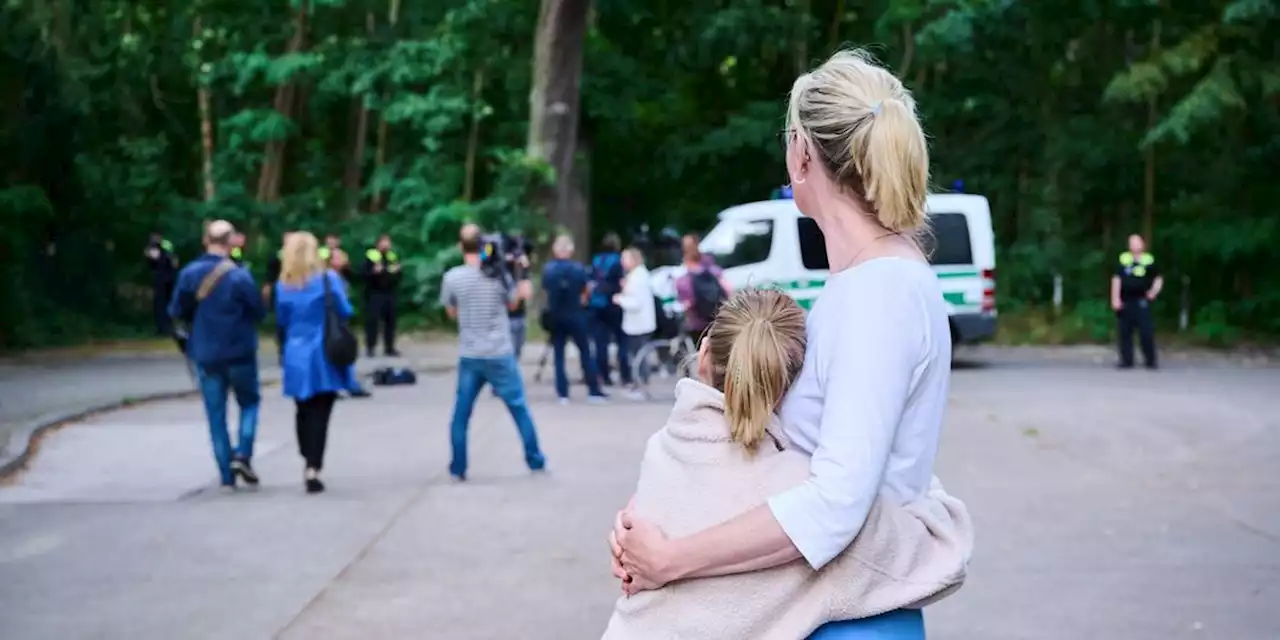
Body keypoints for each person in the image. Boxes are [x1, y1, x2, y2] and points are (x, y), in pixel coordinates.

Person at [611, 49, 954, 640]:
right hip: (821, 610)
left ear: (802, 153)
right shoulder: (867, 282)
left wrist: (672, 558)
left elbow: (835, 504)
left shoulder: (881, 293)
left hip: (849, 622)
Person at [602, 290, 970, 639]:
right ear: (791, 389)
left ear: (703, 356)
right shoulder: (801, 499)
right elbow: (942, 558)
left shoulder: (662, 451)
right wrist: (919, 481)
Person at [440, 224, 546, 482]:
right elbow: (512, 304)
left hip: (471, 354)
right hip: (499, 352)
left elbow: (451, 312)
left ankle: (458, 467)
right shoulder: (498, 275)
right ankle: (535, 460)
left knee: (461, 414)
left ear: (460, 246)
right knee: (519, 408)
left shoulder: (452, 277)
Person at [167, 220, 264, 491]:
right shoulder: (240, 275)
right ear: (230, 241)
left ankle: (226, 475)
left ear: (205, 240)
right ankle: (243, 453)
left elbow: (176, 311)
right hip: (240, 352)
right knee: (250, 403)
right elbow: (258, 312)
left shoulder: (189, 274)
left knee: (216, 414)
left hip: (206, 353)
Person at [276, 231, 354, 493]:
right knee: (322, 411)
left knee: (302, 408)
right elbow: (346, 311)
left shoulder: (283, 285)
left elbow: (282, 320)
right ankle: (313, 465)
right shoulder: (328, 279)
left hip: (295, 352)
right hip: (323, 351)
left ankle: (305, 451)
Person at [542, 234, 608, 404]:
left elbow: (546, 290)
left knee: (558, 355)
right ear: (570, 250)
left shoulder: (548, 270)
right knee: (585, 352)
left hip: (556, 316)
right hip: (575, 314)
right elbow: (587, 289)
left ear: (555, 250)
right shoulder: (578, 269)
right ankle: (593, 390)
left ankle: (563, 393)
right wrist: (582, 300)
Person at [1111, 233, 1162, 369]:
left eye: (1137, 243)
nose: (1134, 246)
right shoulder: (1123, 259)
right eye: (1132, 243)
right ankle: (1126, 360)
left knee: (1146, 332)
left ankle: (1150, 360)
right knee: (1124, 332)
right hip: (1125, 300)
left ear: (1143, 245)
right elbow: (1116, 279)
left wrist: (1153, 292)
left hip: (1142, 300)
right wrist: (1115, 298)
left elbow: (1158, 278)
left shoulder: (1149, 260)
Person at [612, 247, 656, 400]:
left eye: (625, 259)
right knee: (637, 356)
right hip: (637, 323)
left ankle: (642, 387)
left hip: (639, 324)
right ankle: (639, 385)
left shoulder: (638, 278)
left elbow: (636, 302)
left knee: (640, 357)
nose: (622, 262)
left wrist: (620, 299)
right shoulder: (636, 275)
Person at [674, 233, 732, 344]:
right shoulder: (709, 264)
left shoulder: (683, 274)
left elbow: (687, 302)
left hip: (698, 321)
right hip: (717, 316)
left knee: (702, 349)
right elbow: (728, 288)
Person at [589, 232, 630, 387]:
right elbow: (620, 282)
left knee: (601, 342)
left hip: (597, 304)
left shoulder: (596, 260)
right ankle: (625, 374)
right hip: (613, 303)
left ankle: (603, 375)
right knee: (621, 340)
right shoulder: (617, 262)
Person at [362, 233, 401, 357]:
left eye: (388, 242)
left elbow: (399, 276)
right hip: (375, 293)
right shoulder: (370, 257)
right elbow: (362, 275)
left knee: (391, 321)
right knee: (373, 321)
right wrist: (374, 272)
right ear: (378, 244)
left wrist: (397, 272)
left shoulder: (392, 257)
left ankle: (389, 348)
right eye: (383, 242)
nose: (386, 244)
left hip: (389, 293)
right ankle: (370, 348)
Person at [146, 232, 180, 335]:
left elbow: (174, 261)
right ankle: (164, 327)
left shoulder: (161, 247)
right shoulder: (156, 247)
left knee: (164, 303)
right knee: (162, 303)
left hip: (165, 278)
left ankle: (166, 327)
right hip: (164, 279)